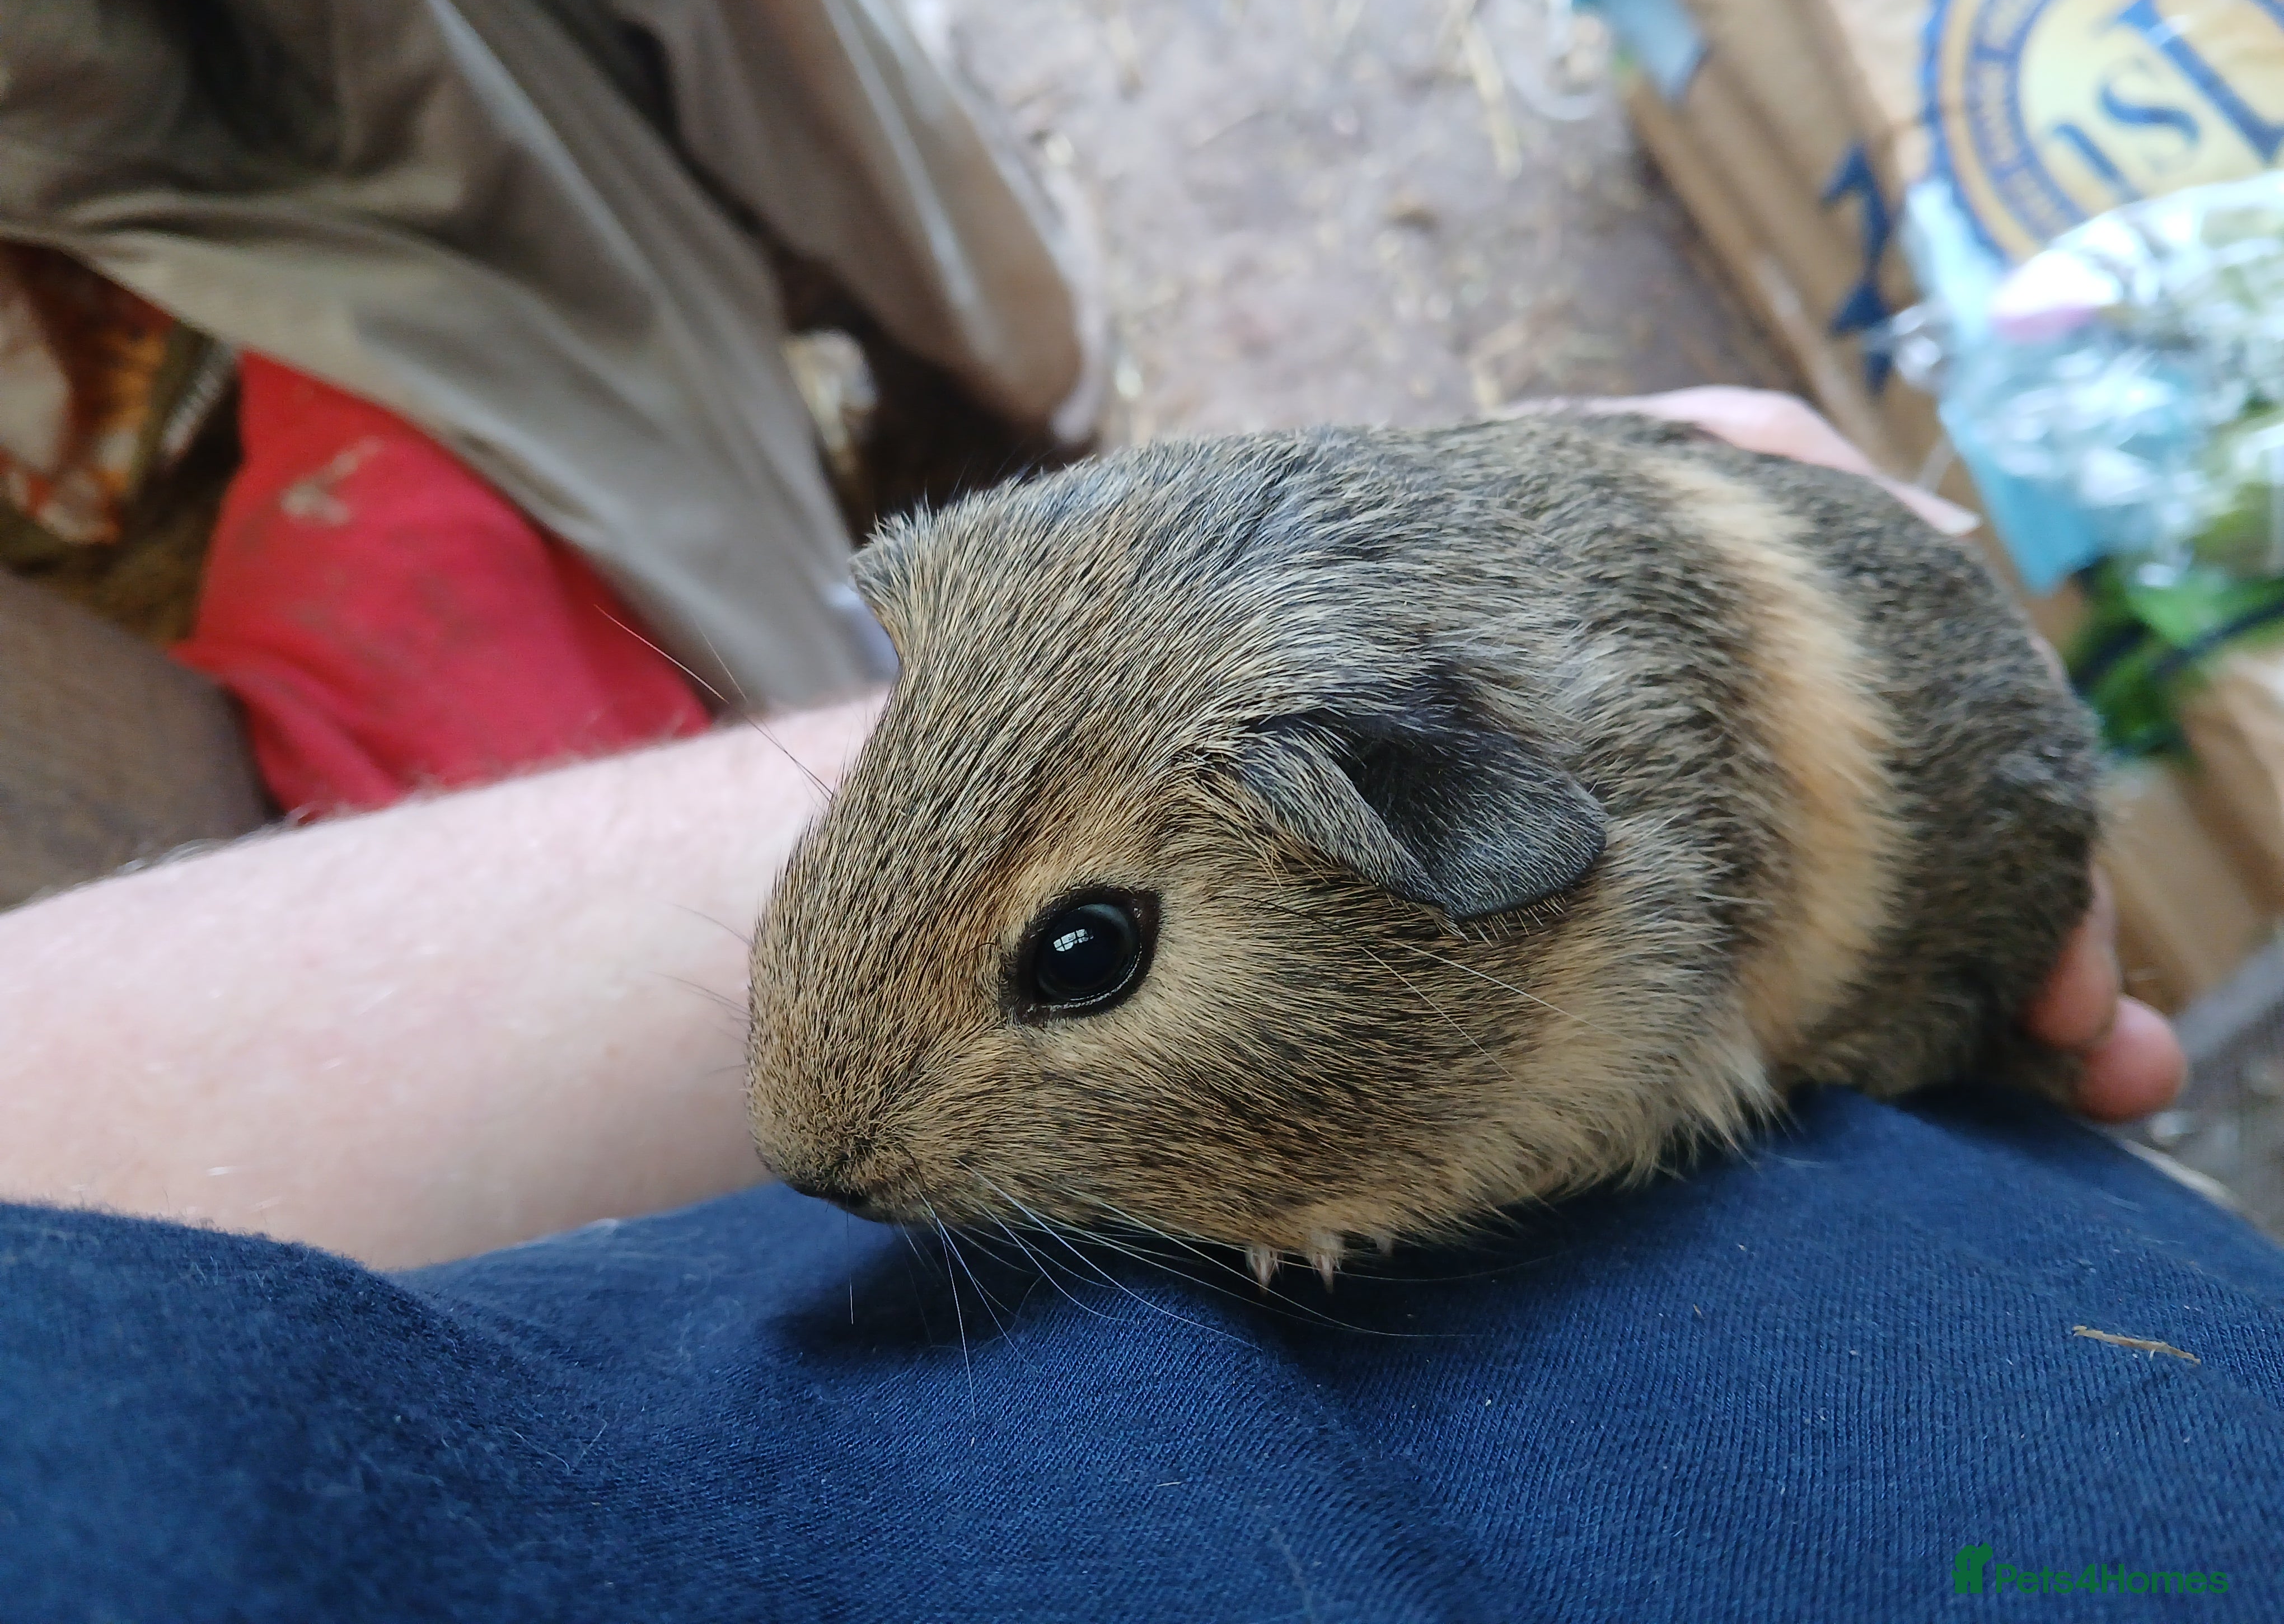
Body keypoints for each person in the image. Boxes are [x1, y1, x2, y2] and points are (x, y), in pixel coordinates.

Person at [1, 391, 2272, 1622]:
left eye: (1084, 954)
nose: (823, 1142)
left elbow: (1616, 997)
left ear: (1421, 826)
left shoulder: (1543, 860)